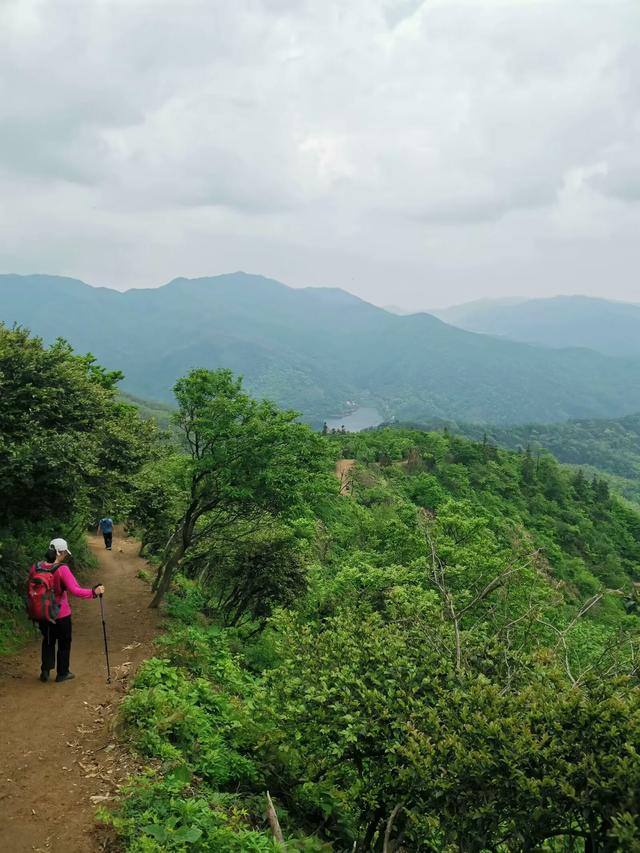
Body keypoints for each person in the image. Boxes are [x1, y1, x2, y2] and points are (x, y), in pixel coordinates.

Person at [32, 538, 105, 683]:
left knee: (48, 641)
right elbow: (75, 590)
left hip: (43, 613)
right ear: (60, 552)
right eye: (65, 553)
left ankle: (45, 670)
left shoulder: (37, 567)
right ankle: (62, 673)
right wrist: (93, 592)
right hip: (61, 614)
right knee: (64, 643)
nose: (65, 555)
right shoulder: (62, 569)